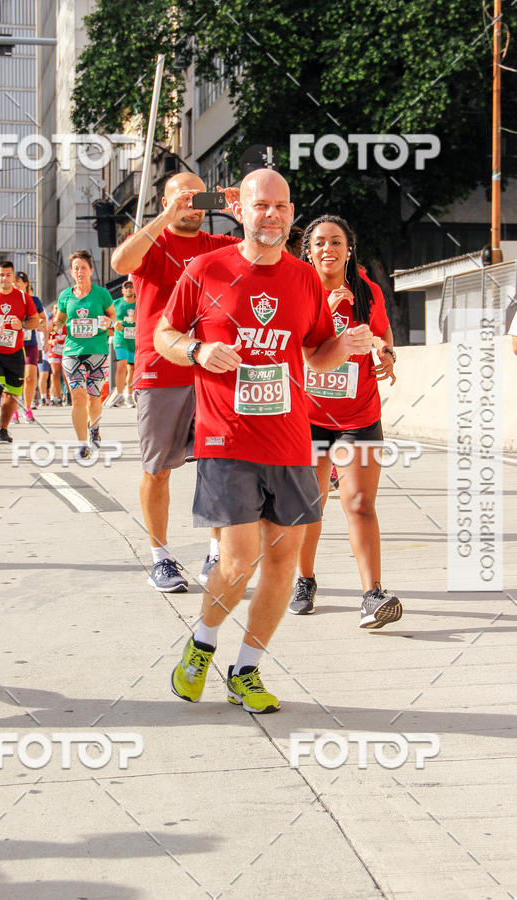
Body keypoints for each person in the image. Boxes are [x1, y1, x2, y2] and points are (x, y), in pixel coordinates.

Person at [154, 169, 373, 713]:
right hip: (226, 437)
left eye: (280, 206)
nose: (270, 214)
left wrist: (345, 345)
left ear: (291, 215)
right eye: (260, 205)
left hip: (291, 441)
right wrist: (199, 352)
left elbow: (318, 351)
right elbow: (165, 334)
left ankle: (246, 668)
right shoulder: (206, 269)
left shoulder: (303, 281)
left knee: (283, 560)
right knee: (238, 559)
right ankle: (202, 643)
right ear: (242, 211)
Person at [111, 172, 240, 593]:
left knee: (220, 465)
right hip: (159, 371)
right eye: (184, 197)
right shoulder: (155, 243)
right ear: (165, 201)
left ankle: (216, 553)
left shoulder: (216, 246)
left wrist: (244, 214)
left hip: (212, 371)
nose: (193, 204)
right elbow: (120, 263)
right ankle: (161, 558)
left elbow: (274, 251)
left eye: (199, 196)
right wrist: (165, 217)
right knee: (158, 470)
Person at [288, 214, 402, 629]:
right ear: (308, 251)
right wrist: (324, 307)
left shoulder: (367, 291)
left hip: (360, 415)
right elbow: (293, 351)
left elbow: (381, 335)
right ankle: (304, 580)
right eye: (319, 243)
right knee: (310, 502)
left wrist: (387, 354)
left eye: (336, 242)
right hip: (308, 416)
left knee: (358, 502)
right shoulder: (296, 289)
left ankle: (373, 595)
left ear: (348, 250)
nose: (328, 249)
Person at [50, 250, 115, 459]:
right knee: (78, 397)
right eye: (76, 268)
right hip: (72, 351)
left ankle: (94, 428)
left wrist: (109, 322)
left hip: (97, 351)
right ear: (72, 272)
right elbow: (59, 320)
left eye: (83, 268)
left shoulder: (102, 294)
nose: (79, 271)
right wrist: (53, 328)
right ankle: (81, 444)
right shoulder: (65, 296)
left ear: (91, 270)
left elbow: (112, 318)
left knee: (94, 400)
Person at [0, 260, 40, 443]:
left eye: (8, 275)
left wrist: (22, 324)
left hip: (16, 352)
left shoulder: (23, 297)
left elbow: (35, 321)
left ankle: (3, 429)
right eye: (1, 275)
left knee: (12, 393)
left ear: (13, 277)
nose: (5, 279)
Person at [14, 270, 46, 423]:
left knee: (30, 377)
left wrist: (38, 326)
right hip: (12, 343)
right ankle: (13, 410)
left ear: (26, 283)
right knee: (14, 378)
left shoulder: (34, 300)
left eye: (19, 281)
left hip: (30, 344)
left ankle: (27, 409)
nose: (15, 284)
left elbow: (43, 319)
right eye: (14, 281)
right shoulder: (8, 300)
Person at [112, 279, 136, 408]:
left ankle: (129, 395)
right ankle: (120, 395)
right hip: (121, 339)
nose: (129, 289)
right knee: (121, 365)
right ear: (122, 291)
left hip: (134, 339)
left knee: (132, 369)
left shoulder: (139, 304)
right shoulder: (116, 303)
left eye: (131, 287)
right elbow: (108, 316)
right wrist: (114, 324)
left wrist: (137, 319)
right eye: (126, 287)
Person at [47, 302, 67, 404]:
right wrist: (51, 341)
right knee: (55, 373)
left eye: (58, 308)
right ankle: (58, 396)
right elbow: (47, 339)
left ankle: (68, 395)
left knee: (65, 374)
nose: (56, 310)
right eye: (54, 308)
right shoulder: (51, 323)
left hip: (65, 351)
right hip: (54, 351)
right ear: (52, 311)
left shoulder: (65, 321)